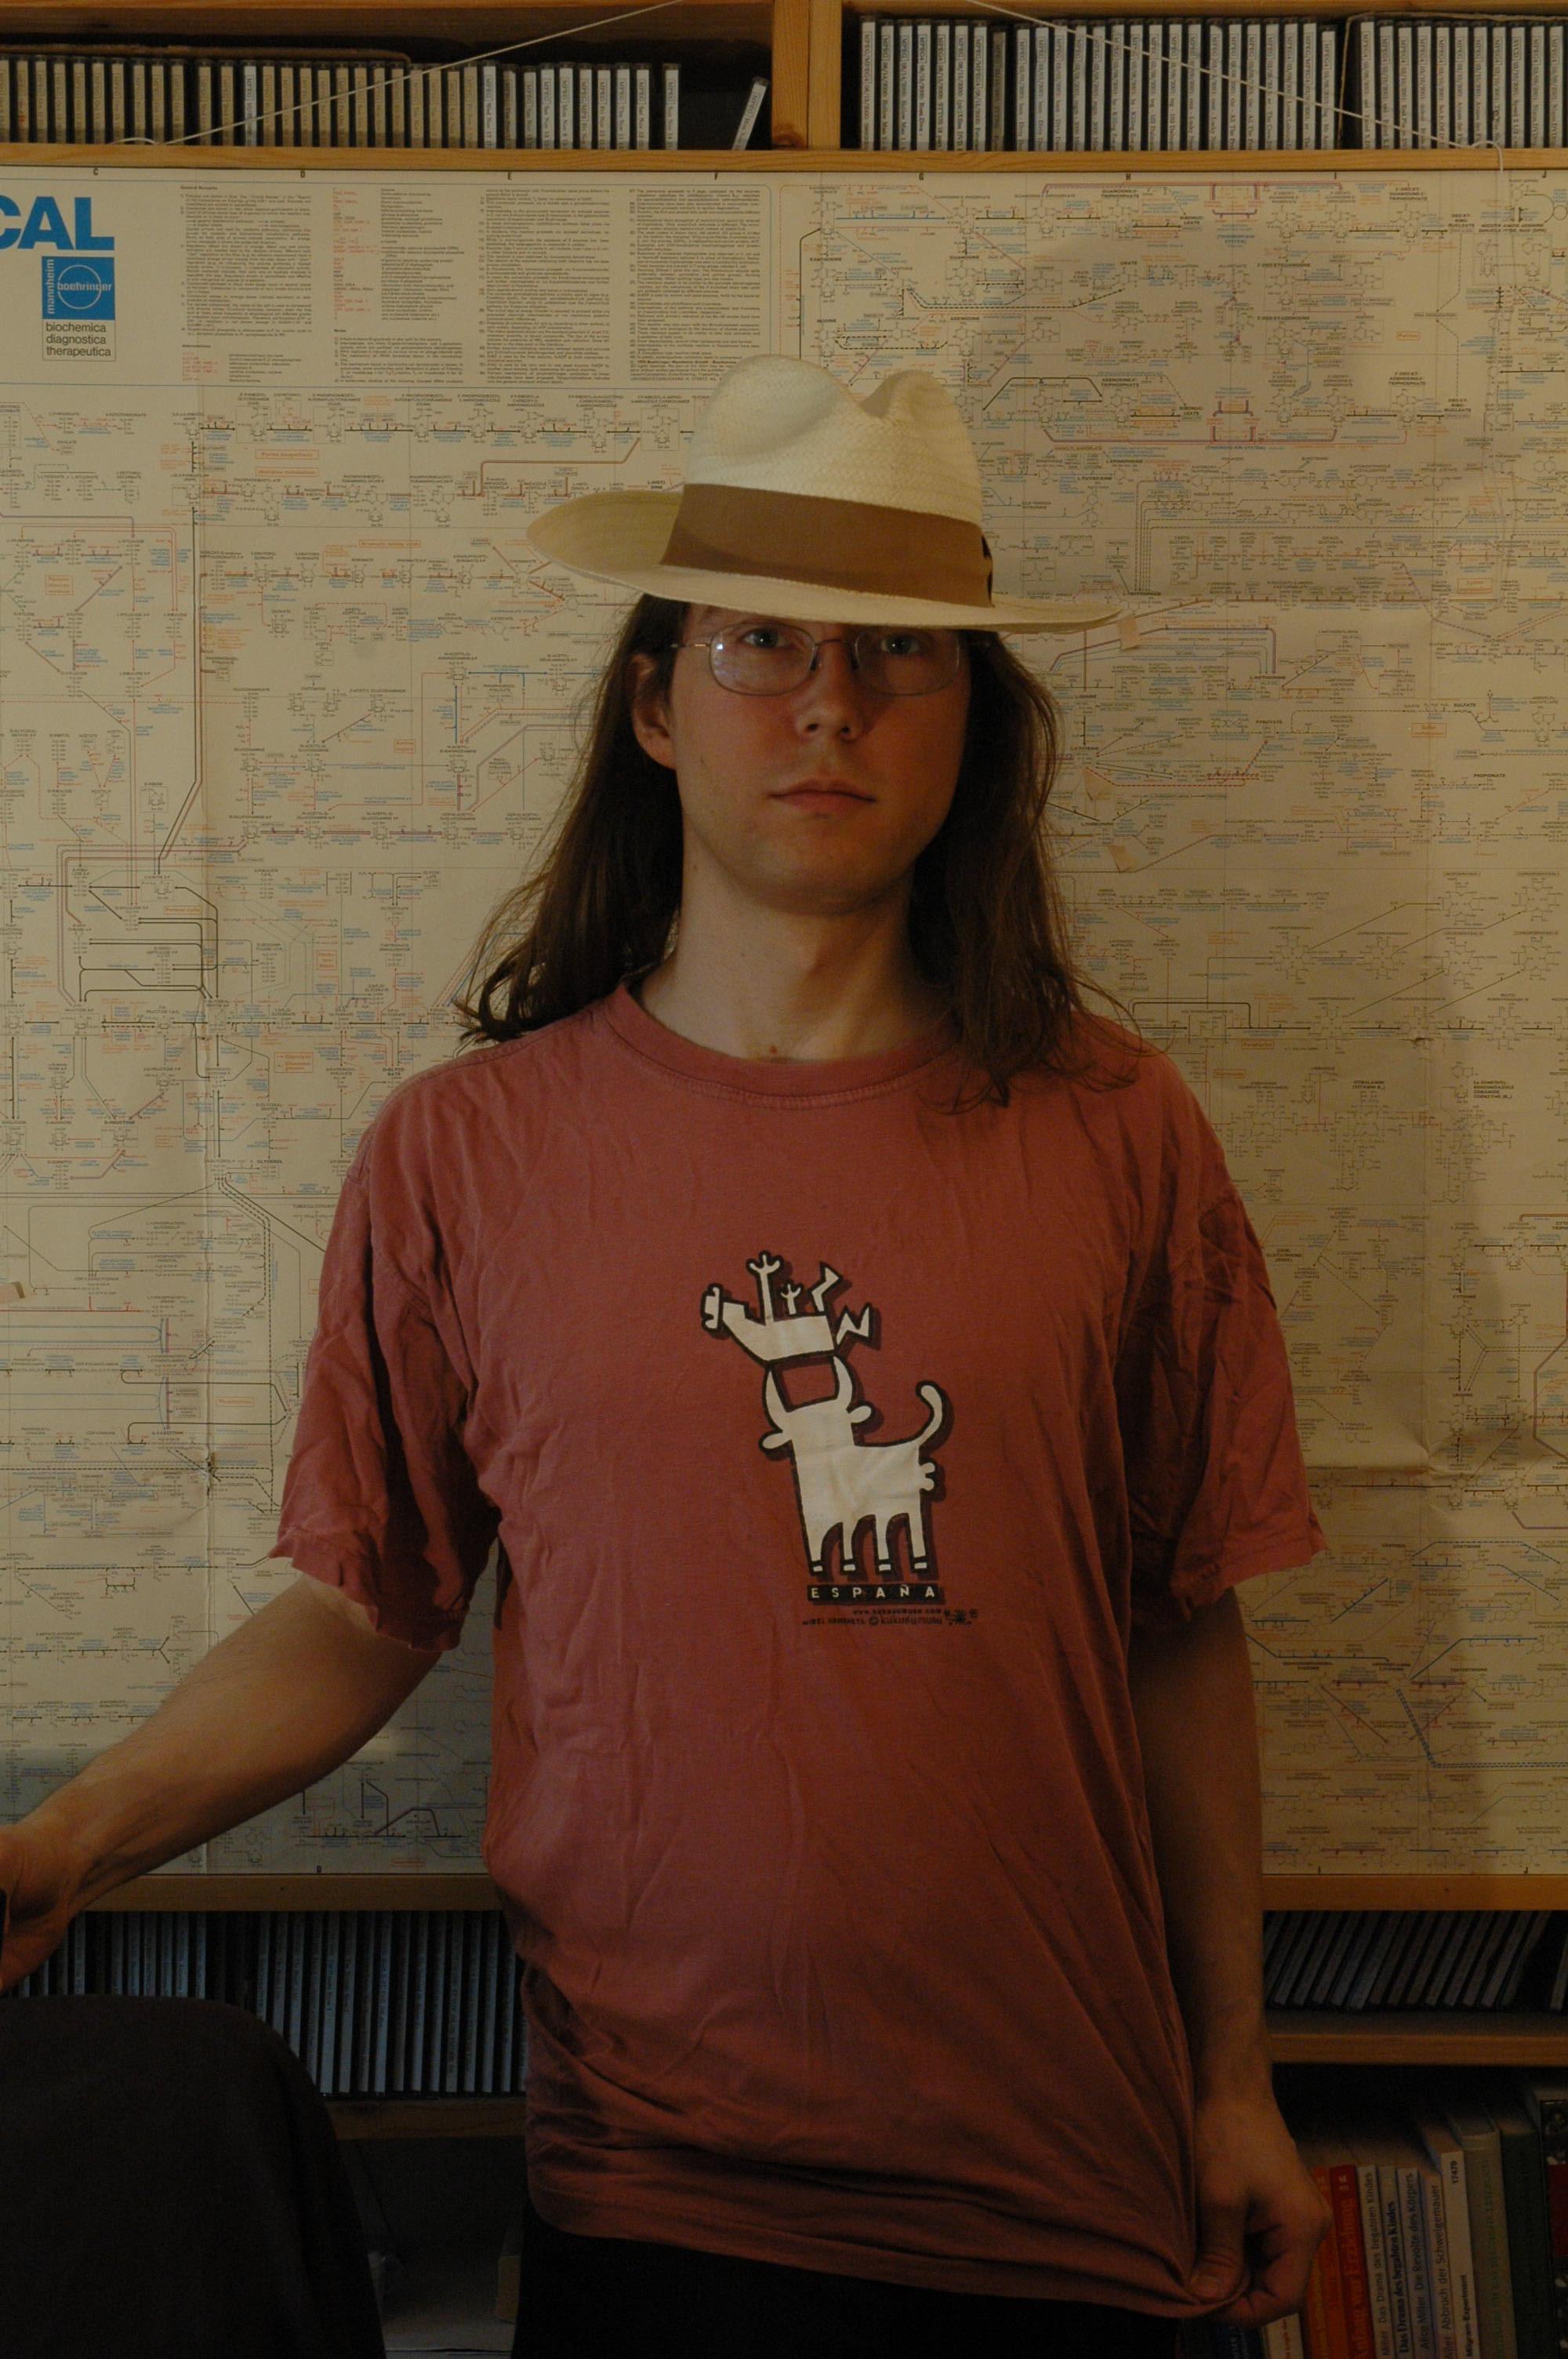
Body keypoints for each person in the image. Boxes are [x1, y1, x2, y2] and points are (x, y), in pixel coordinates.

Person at [0, 358, 1328, 2358]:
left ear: (975, 718)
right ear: (652, 702)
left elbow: (1178, 1620)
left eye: (897, 651)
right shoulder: (466, 1154)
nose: (827, 703)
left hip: (1070, 2185)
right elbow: (366, 1610)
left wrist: (1235, 2076)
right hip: (656, 2192)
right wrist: (65, 1842)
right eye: (757, 642)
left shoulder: (1119, 1132)